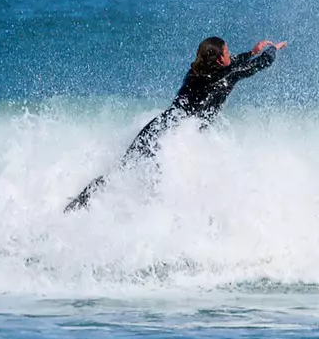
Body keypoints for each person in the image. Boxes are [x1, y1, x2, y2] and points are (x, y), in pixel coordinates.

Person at [65, 36, 287, 210]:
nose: (230, 54)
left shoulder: (196, 71)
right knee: (158, 188)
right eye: (227, 52)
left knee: (122, 171)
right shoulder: (226, 77)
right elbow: (261, 64)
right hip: (177, 140)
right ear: (220, 59)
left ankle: (78, 205)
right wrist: (272, 49)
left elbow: (231, 65)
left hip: (159, 126)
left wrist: (251, 52)